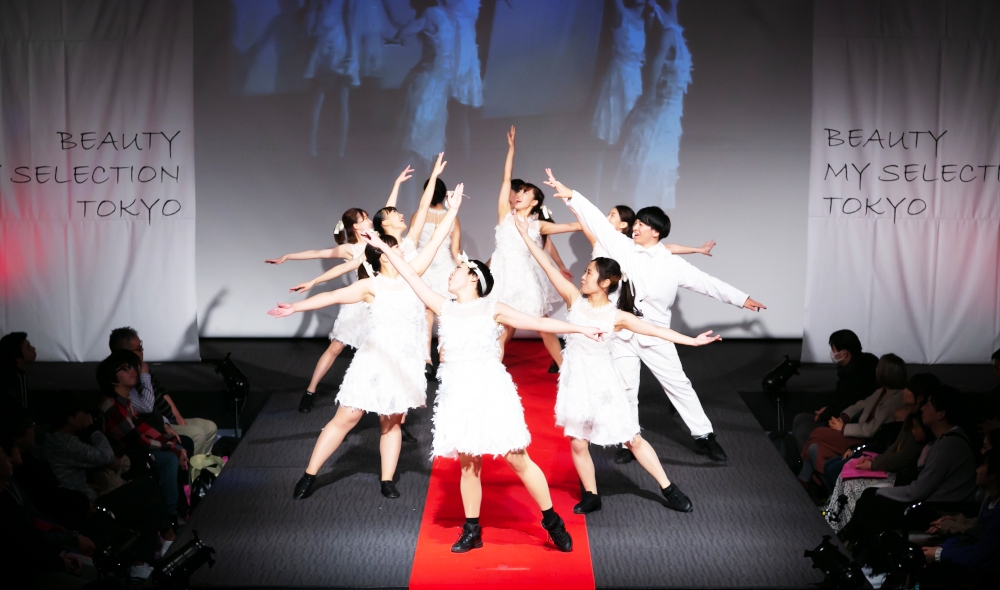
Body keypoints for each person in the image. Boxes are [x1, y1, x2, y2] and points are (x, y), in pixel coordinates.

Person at [364, 231, 606, 554]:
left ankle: (552, 522)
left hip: (491, 391)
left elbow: (539, 323)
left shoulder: (493, 308)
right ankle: (472, 530)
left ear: (473, 278)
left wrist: (581, 328)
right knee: (469, 464)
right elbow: (409, 274)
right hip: (457, 395)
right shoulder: (443, 306)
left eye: (458, 269)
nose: (451, 272)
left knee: (518, 459)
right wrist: (381, 246)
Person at [547, 168, 765, 463]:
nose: (635, 227)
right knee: (626, 388)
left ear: (656, 232)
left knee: (678, 385)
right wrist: (572, 195)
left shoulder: (673, 264)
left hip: (656, 333)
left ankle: (704, 436)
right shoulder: (621, 246)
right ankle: (628, 441)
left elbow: (708, 284)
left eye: (641, 224)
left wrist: (742, 299)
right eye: (635, 222)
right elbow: (597, 221)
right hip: (622, 332)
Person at [513, 213, 720, 513]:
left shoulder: (617, 316)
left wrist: (692, 341)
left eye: (589, 273)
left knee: (632, 439)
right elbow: (546, 264)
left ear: (606, 282)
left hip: (605, 384)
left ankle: (668, 487)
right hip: (576, 382)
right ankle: (591, 494)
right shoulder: (574, 299)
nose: (582, 276)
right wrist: (525, 236)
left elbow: (656, 331)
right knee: (578, 442)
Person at [274, 187, 463, 500]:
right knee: (346, 417)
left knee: (391, 423)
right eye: (394, 249)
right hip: (374, 359)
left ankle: (387, 479)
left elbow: (435, 241)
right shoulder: (370, 286)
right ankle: (309, 474)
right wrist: (295, 307)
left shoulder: (413, 275)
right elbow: (332, 296)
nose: (402, 252)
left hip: (404, 361)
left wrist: (453, 210)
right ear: (383, 256)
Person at [268, 166, 415, 413]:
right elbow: (319, 254)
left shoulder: (377, 237)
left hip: (381, 301)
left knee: (384, 351)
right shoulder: (351, 249)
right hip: (359, 302)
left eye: (369, 217)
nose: (369, 220)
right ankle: (310, 390)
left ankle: (389, 405)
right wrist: (291, 258)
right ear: (356, 226)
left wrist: (397, 184)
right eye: (364, 218)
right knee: (336, 347)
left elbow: (387, 211)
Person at [43, 395, 175, 567]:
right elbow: (107, 456)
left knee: (151, 504)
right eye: (82, 412)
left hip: (87, 499)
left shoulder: (56, 440)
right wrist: (93, 429)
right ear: (69, 418)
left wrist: (87, 486)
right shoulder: (64, 442)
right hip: (87, 509)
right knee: (147, 484)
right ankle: (169, 536)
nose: (86, 416)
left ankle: (140, 565)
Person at [839, 387, 978, 547]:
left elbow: (918, 491)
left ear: (940, 414)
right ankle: (853, 541)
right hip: (933, 505)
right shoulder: (948, 440)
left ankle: (856, 543)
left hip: (938, 511)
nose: (923, 408)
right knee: (870, 498)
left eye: (928, 405)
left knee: (871, 499)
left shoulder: (948, 445)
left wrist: (882, 491)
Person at [491, 127, 582, 369]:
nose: (519, 194)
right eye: (519, 191)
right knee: (501, 327)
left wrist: (584, 210)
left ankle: (565, 368)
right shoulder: (505, 214)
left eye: (525, 193)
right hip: (501, 275)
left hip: (525, 278)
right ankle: (491, 372)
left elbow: (572, 225)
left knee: (542, 325)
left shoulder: (538, 225)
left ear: (535, 202)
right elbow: (506, 178)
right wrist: (511, 149)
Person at [823, 374, 939, 532]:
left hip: (900, 475)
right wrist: (875, 462)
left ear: (919, 397)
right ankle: (836, 519)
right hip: (892, 467)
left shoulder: (920, 424)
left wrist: (874, 464)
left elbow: (904, 458)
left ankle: (846, 529)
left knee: (852, 483)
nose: (904, 391)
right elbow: (895, 448)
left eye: (908, 389)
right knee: (845, 473)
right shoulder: (911, 418)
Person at [612, 0, 692, 209]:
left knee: (658, 155)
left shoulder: (673, 33)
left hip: (671, 108)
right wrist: (648, 94)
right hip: (662, 106)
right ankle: (640, 202)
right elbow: (655, 65)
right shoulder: (669, 34)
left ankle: (651, 204)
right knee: (648, 153)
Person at [97, 350, 187, 524]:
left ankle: (179, 510)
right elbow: (136, 439)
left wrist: (171, 443)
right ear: (112, 378)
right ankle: (170, 516)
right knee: (169, 458)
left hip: (132, 451)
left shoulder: (124, 401)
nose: (132, 371)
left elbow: (142, 428)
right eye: (125, 369)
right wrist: (170, 447)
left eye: (131, 367)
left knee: (179, 448)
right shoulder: (111, 404)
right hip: (121, 458)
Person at [797, 353, 907, 492]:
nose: (876, 370)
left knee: (817, 432)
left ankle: (805, 477)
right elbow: (860, 405)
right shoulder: (881, 391)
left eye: (879, 368)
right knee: (815, 446)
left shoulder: (895, 399)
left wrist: (843, 428)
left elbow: (871, 430)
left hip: (865, 439)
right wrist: (843, 418)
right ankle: (814, 481)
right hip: (857, 433)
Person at [108, 327, 218, 456]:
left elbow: (161, 391)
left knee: (210, 427)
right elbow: (147, 407)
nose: (142, 350)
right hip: (156, 426)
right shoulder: (124, 378)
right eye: (138, 348)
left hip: (167, 419)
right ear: (125, 353)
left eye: (141, 346)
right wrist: (144, 375)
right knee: (197, 434)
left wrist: (176, 415)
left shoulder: (141, 368)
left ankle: (203, 464)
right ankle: (192, 467)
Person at [918, 449, 1000, 590]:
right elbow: (972, 536)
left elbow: (980, 555)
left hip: (987, 572)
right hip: (977, 560)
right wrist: (942, 548)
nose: (977, 470)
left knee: (934, 573)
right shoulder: (990, 502)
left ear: (993, 474)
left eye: (982, 465)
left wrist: (939, 554)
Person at [792, 329, 880, 453]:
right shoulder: (866, 361)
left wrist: (824, 414)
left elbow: (846, 405)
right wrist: (827, 409)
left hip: (849, 423)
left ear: (844, 353)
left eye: (833, 349)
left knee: (803, 430)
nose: (831, 353)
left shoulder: (854, 375)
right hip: (843, 414)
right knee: (800, 419)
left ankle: (812, 461)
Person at [412, 175, 462, 372]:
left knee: (426, 313)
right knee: (444, 314)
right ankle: (443, 358)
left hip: (423, 267)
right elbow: (455, 251)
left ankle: (426, 360)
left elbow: (412, 244)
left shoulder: (418, 215)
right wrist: (465, 268)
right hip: (444, 268)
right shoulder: (452, 217)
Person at [303, 0, 359, 157]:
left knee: (327, 100)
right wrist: (351, 49)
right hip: (332, 45)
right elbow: (348, 18)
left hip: (331, 45)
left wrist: (350, 50)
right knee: (335, 100)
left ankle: (318, 149)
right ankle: (335, 150)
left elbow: (311, 21)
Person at [592, 0, 645, 145]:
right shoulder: (622, 14)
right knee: (614, 117)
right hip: (620, 74)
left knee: (632, 116)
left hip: (635, 76)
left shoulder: (643, 21)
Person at [0, 331, 36, 410]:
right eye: (28, 347)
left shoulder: (15, 373)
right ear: (18, 358)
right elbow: (23, 408)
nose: (33, 348)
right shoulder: (16, 377)